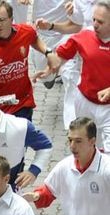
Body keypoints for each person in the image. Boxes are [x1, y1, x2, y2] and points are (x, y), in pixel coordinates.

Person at [34, 1, 110, 150]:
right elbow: (62, 55)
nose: (95, 25)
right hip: (85, 102)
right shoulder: (85, 35)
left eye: (100, 22)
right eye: (93, 19)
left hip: (108, 108)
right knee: (86, 146)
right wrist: (49, 69)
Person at [0, 0, 54, 119]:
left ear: (11, 19)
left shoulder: (24, 31)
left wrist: (47, 52)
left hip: (22, 105)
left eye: (1, 20)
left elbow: (33, 38)